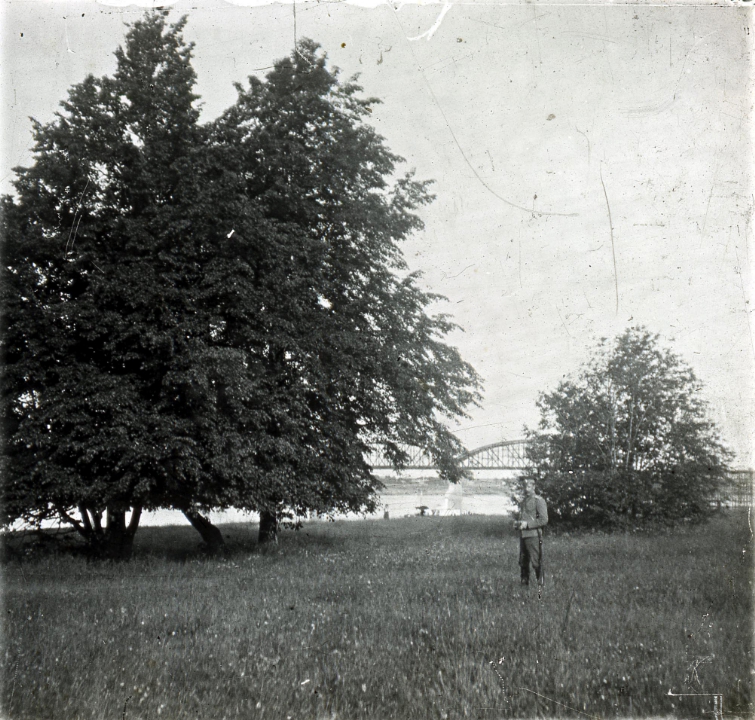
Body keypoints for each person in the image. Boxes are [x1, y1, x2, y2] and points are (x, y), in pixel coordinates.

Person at [514, 478, 548, 586]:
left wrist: (528, 525)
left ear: (534, 487)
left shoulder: (539, 501)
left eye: (528, 486)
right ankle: (524, 585)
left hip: (533, 536)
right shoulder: (524, 501)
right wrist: (518, 524)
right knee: (523, 562)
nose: (526, 489)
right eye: (525, 486)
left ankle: (541, 586)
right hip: (523, 535)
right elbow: (524, 517)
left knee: (536, 562)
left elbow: (544, 520)